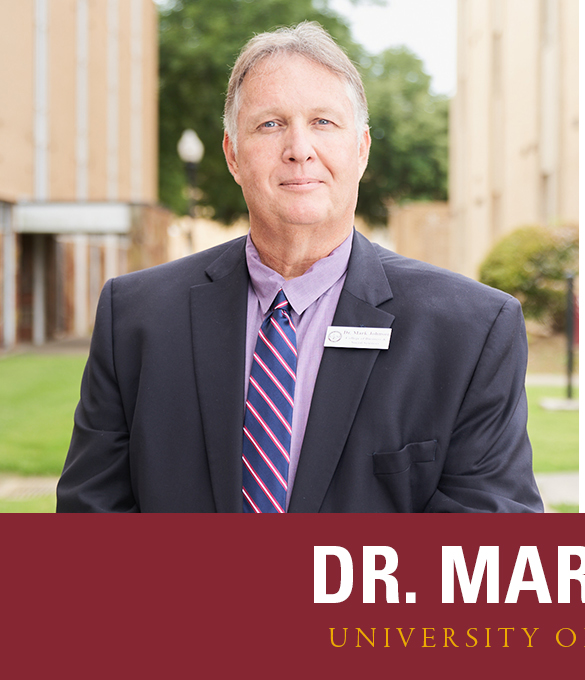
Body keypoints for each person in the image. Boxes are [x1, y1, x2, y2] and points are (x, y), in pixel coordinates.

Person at [56, 22, 542, 513]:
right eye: (270, 124)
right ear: (232, 156)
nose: (298, 148)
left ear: (361, 150)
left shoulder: (472, 331)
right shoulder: (135, 319)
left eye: (324, 123)